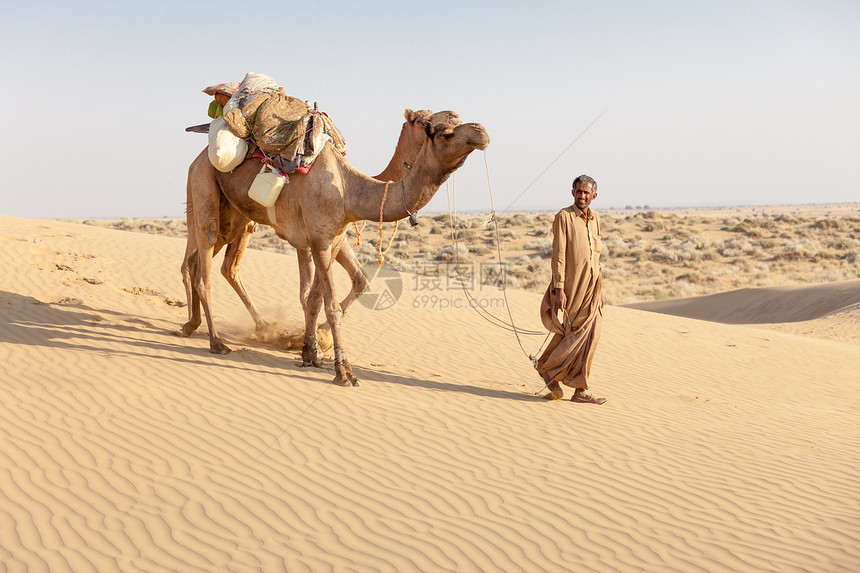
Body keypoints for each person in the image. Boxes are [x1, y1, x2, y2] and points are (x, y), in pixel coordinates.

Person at [536, 174, 607, 404]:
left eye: (586, 192)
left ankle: (580, 389)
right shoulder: (563, 217)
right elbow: (558, 254)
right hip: (571, 288)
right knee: (571, 333)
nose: (582, 196)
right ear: (572, 193)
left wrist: (599, 290)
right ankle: (546, 369)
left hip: (591, 290)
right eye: (579, 191)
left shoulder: (596, 219)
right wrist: (558, 288)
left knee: (590, 336)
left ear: (593, 195)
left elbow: (595, 257)